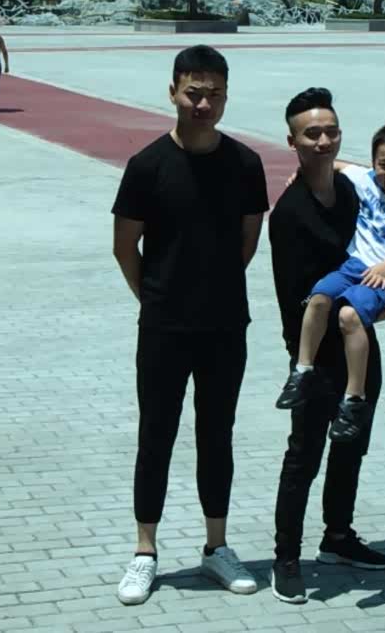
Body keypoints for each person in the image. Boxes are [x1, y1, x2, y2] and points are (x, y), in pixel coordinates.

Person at [112, 46, 269, 606]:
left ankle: (216, 547)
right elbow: (124, 246)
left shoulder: (245, 164)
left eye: (214, 94)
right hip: (164, 327)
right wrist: (157, 297)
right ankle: (144, 550)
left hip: (225, 324)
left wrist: (212, 290)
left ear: (226, 96)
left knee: (216, 433)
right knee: (156, 434)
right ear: (173, 92)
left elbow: (248, 241)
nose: (203, 104)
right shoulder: (147, 165)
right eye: (193, 93)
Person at [270, 88, 385, 603]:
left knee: (351, 444)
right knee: (304, 454)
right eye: (311, 134)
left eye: (330, 131)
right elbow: (293, 298)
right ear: (292, 142)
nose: (323, 141)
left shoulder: (351, 192)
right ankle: (286, 557)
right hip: (316, 353)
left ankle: (338, 536)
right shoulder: (290, 213)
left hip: (359, 341)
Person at [276, 122, 385, 445]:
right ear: (373, 163)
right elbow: (334, 165)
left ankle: (354, 398)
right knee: (319, 298)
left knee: (349, 317)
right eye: (384, 165)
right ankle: (302, 371)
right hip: (354, 266)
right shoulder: (365, 179)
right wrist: (301, 172)